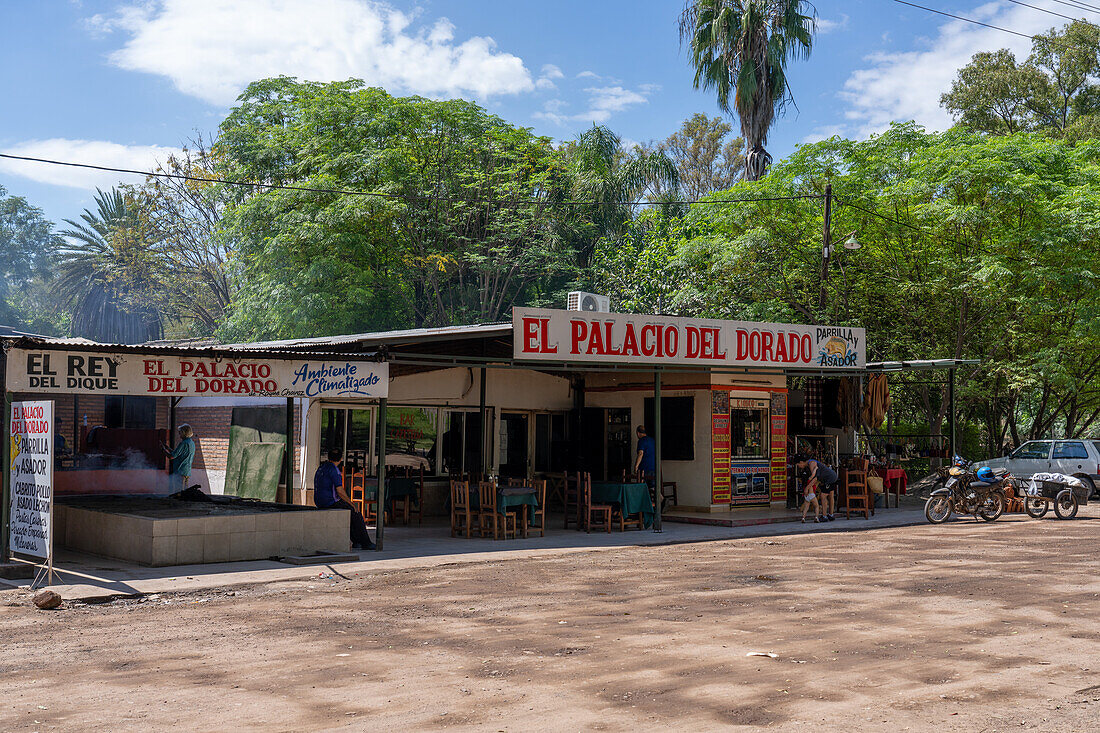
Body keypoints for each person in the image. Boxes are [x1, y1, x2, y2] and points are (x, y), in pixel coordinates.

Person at [314, 448, 374, 550]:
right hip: (330, 502)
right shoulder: (334, 470)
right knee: (356, 513)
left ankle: (356, 541)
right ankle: (366, 542)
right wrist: (351, 503)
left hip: (319, 501)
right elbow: (340, 491)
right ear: (341, 459)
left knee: (349, 513)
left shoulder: (321, 467)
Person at [796, 454, 838, 521]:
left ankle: (824, 516)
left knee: (823, 496)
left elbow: (814, 478)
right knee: (831, 496)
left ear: (801, 462)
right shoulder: (811, 462)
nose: (799, 467)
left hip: (828, 478)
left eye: (798, 465)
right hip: (832, 476)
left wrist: (807, 488)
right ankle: (831, 515)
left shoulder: (811, 463)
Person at [162, 424, 196, 492]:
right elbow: (178, 454)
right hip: (186, 471)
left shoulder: (183, 443)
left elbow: (171, 456)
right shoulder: (191, 443)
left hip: (180, 470)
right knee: (185, 492)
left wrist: (163, 450)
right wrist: (168, 448)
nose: (179, 434)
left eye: (180, 432)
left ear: (184, 433)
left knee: (179, 493)